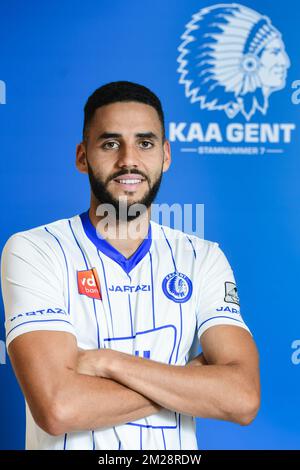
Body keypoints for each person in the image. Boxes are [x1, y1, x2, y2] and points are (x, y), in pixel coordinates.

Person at [1, 81, 260, 450]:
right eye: (110, 143)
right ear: (82, 156)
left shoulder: (202, 257)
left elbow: (243, 397)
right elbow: (58, 407)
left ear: (165, 155)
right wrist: (190, 383)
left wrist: (107, 363)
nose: (128, 160)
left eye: (145, 142)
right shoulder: (35, 250)